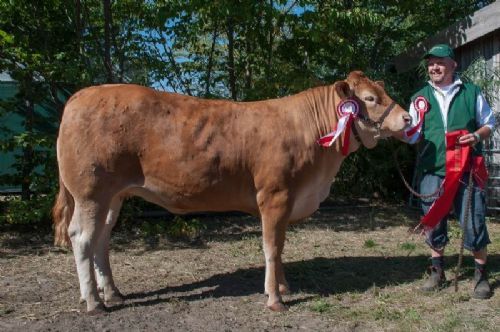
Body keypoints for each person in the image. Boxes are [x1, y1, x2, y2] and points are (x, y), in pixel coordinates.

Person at [402, 44, 495, 299]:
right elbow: (412, 136)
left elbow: (489, 122)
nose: (434, 67)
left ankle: (480, 276)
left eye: (440, 62)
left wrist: (476, 135)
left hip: (466, 170)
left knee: (474, 222)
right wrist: (394, 131)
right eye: (431, 63)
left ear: (453, 65)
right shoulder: (419, 98)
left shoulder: (471, 92)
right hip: (432, 170)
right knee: (433, 222)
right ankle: (437, 271)